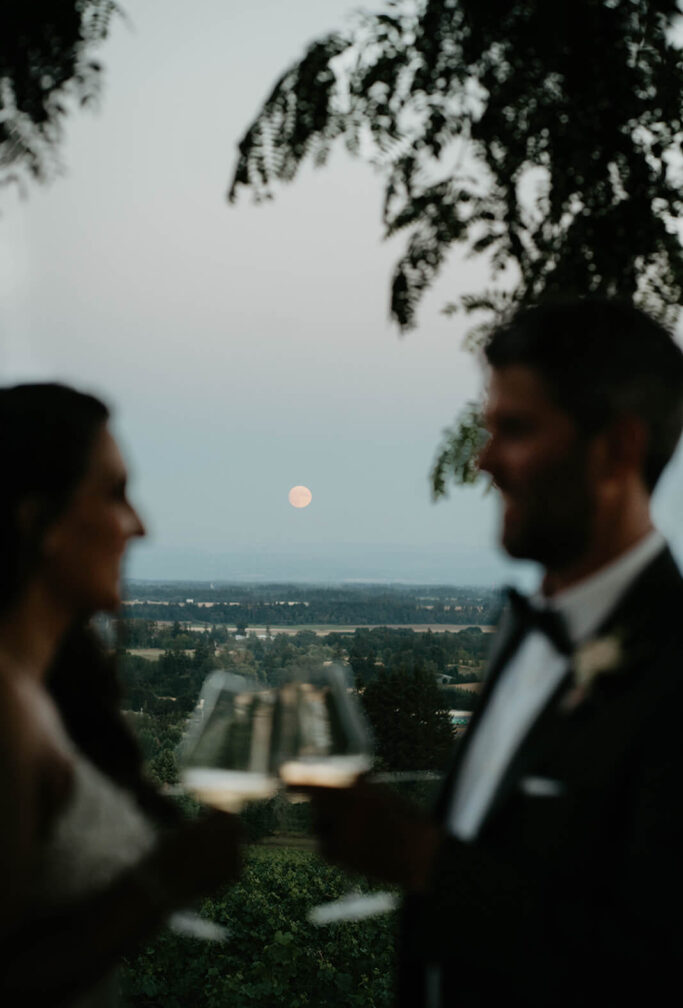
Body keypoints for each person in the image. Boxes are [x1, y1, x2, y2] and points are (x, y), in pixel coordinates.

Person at [308, 299, 683, 1007]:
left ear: (618, 448)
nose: (482, 461)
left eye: (514, 431)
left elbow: (653, 964)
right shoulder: (520, 632)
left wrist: (420, 860)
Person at [0, 383, 243, 1007]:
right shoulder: (6, 711)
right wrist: (162, 883)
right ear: (38, 521)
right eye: (114, 494)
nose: (139, 526)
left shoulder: (44, 692)